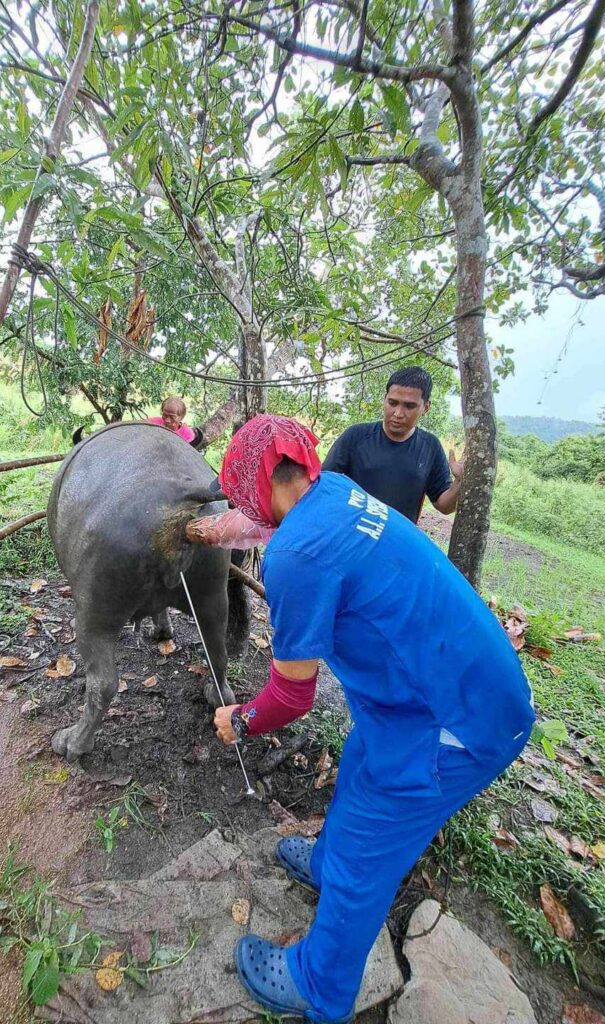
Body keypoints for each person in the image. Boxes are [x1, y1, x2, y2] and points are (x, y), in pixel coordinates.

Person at [186, 414, 534, 1024]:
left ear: (260, 480)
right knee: (362, 767)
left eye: (241, 489)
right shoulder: (333, 493)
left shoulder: (295, 555)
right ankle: (324, 865)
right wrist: (210, 532)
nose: (242, 503)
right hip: (442, 684)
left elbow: (291, 698)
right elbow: (265, 523)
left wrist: (239, 720)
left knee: (370, 846)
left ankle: (320, 987)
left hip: (456, 721)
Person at [323, 366, 463, 523]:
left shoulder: (430, 446)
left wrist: (459, 481)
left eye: (409, 406)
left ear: (426, 407)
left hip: (396, 543)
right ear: (385, 399)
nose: (398, 413)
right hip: (352, 538)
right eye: (393, 403)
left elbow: (444, 506)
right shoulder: (355, 436)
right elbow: (323, 486)